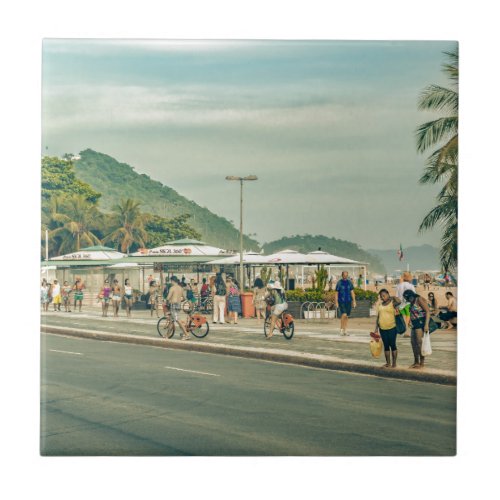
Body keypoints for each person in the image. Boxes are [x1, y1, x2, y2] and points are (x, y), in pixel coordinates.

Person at [403, 290, 431, 369]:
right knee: (413, 343)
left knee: (419, 343)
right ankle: (416, 362)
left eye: (406, 298)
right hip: (414, 323)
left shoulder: (419, 299)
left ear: (411, 296)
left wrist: (426, 325)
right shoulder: (411, 301)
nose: (406, 300)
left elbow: (428, 311)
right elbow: (413, 313)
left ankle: (421, 363)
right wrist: (409, 322)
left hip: (421, 323)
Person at [373, 289, 401, 368]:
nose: (382, 297)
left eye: (384, 295)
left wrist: (391, 297)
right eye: (381, 296)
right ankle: (388, 363)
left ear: (388, 294)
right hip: (382, 328)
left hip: (392, 327)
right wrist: (376, 329)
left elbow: (399, 301)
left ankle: (394, 363)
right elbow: (378, 317)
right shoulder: (380, 305)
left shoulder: (393, 303)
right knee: (386, 346)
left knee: (393, 345)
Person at [166, 276, 190, 340]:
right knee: (171, 320)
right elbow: (185, 298)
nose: (170, 282)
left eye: (171, 281)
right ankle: (167, 335)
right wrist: (179, 301)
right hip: (178, 305)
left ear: (172, 281)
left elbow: (168, 298)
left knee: (178, 320)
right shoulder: (181, 288)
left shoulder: (172, 288)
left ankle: (186, 334)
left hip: (173, 305)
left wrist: (166, 302)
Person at [334, 271, 357, 336]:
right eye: (344, 275)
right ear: (342, 275)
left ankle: (345, 330)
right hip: (341, 301)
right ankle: (341, 329)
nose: (345, 276)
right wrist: (336, 302)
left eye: (346, 275)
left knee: (347, 316)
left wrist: (354, 301)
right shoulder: (339, 283)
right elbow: (336, 293)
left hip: (348, 301)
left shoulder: (349, 282)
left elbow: (352, 292)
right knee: (344, 314)